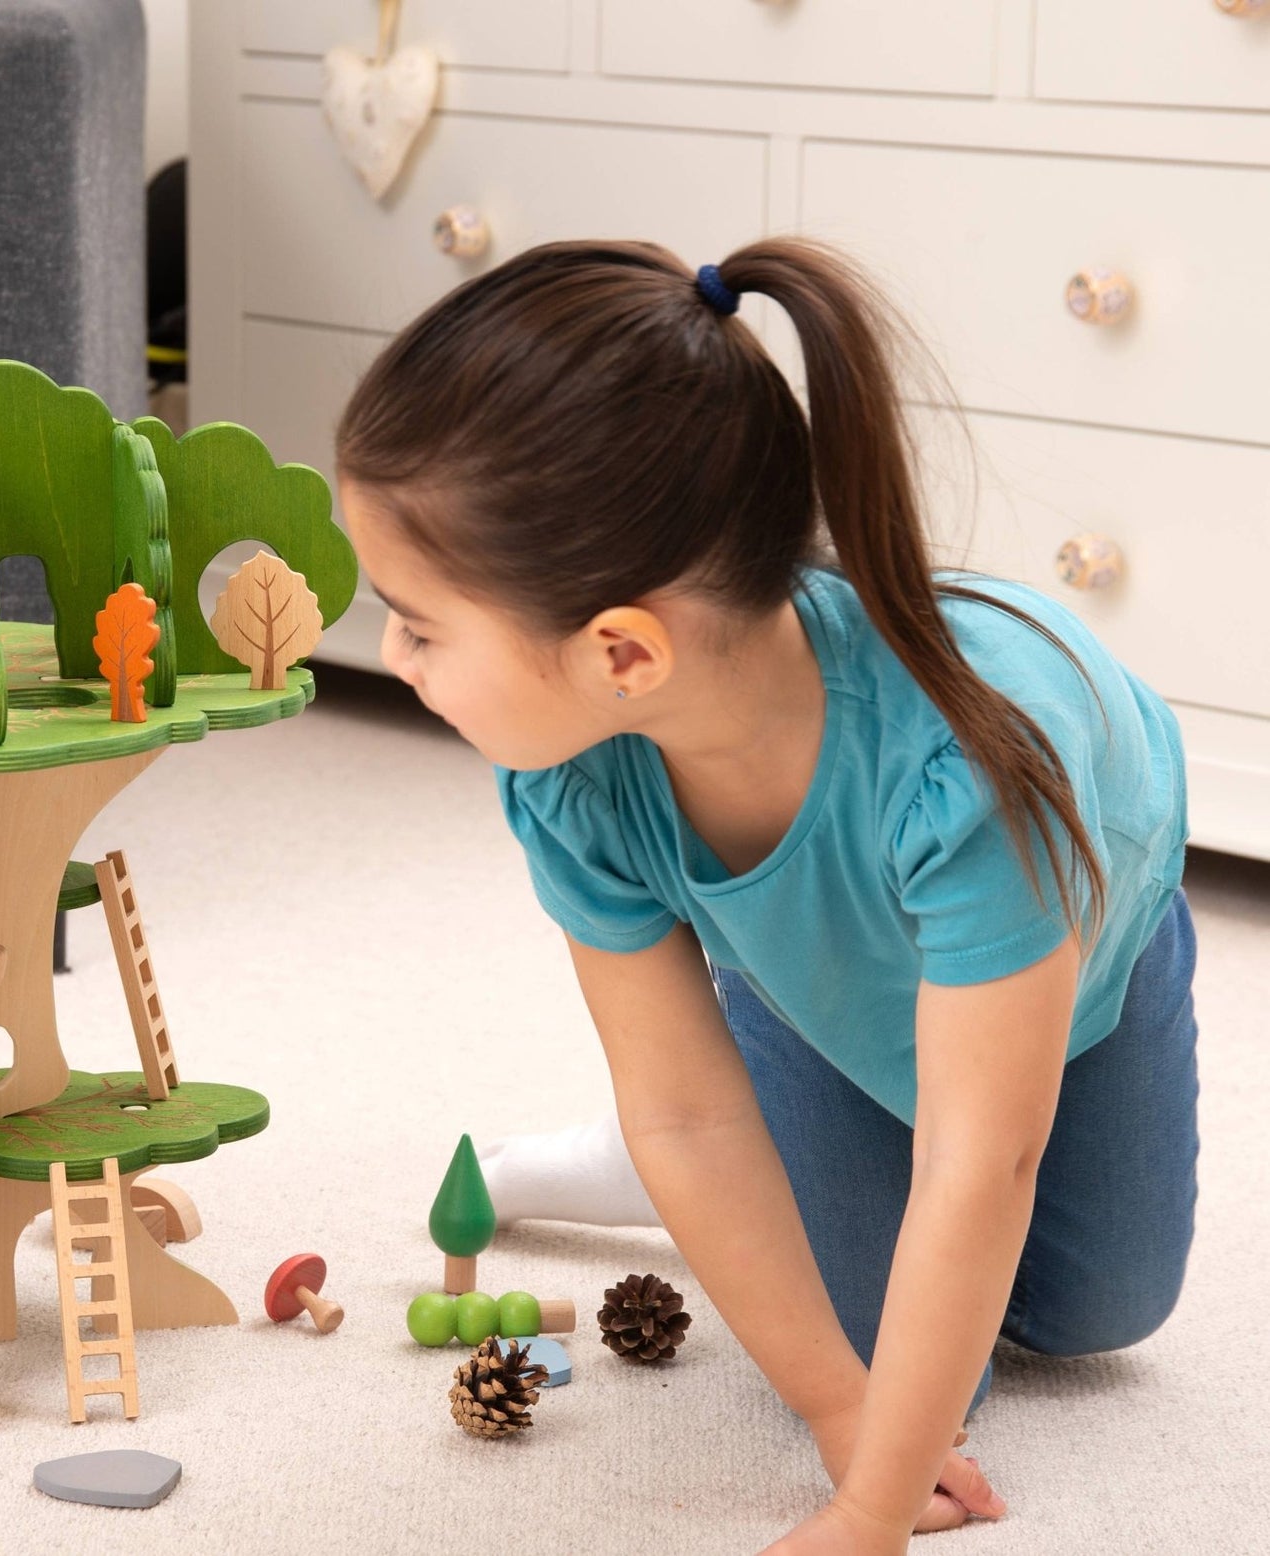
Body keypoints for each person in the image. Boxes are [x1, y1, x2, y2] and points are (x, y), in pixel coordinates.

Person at [334, 238, 1197, 1555]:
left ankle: (780, 1118)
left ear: (621, 650)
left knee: (1092, 1316)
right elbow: (682, 1108)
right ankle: (717, 1111)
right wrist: (846, 1420)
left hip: (1073, 944)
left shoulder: (969, 777)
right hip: (810, 972)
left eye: (418, 624)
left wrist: (864, 1523)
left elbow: (982, 1160)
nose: (386, 655)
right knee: (899, 1373)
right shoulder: (574, 778)